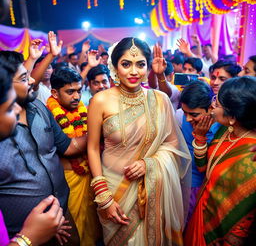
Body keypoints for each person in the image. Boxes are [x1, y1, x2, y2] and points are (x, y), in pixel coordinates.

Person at [87, 37, 191, 245]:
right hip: (113, 190)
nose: (134, 72)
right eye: (126, 64)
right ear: (115, 67)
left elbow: (173, 145)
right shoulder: (100, 101)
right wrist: (103, 195)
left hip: (152, 189)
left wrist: (149, 164)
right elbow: (91, 148)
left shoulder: (160, 100)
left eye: (140, 64)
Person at [0, 50, 87, 244]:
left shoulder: (39, 108)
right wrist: (28, 235)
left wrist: (99, 130)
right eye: (24, 78)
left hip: (62, 215)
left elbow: (68, 146)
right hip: (20, 232)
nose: (32, 81)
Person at [184, 76, 256, 245]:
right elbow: (204, 169)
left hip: (223, 232)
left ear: (233, 115)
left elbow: (248, 204)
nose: (212, 106)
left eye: (218, 103)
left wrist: (235, 237)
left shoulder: (252, 153)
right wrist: (201, 137)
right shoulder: (225, 131)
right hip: (201, 214)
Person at [47, 66, 102, 245]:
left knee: (90, 223)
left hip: (88, 175)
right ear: (54, 93)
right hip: (67, 179)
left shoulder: (83, 110)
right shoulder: (48, 115)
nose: (76, 96)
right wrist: (96, 131)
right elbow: (67, 147)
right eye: (70, 92)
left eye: (78, 91)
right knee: (74, 227)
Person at [179, 81, 221, 222]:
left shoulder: (222, 128)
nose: (188, 118)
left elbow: (203, 167)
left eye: (194, 114)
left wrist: (200, 138)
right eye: (185, 112)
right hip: (181, 182)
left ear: (210, 108)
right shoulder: (181, 118)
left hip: (204, 187)